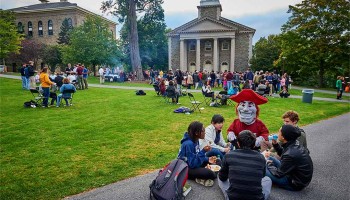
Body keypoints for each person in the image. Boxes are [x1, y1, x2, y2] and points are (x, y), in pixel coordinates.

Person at [218, 130, 272, 200]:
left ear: (238, 143)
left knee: (220, 176)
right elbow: (263, 176)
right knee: (268, 180)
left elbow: (222, 177)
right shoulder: (261, 157)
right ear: (254, 144)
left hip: (233, 197)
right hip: (256, 198)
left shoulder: (229, 155)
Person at [265, 124, 313, 191]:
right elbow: (284, 153)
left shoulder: (290, 153)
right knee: (270, 158)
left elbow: (278, 174)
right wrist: (275, 144)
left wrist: (268, 164)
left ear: (283, 137)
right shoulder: (294, 143)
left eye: (279, 132)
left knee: (263, 168)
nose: (277, 133)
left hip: (294, 183)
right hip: (295, 175)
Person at [177, 121, 220, 187]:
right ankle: (199, 177)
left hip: (194, 162)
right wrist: (203, 151)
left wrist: (208, 159)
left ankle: (201, 176)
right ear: (196, 133)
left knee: (217, 161)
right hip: (186, 168)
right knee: (211, 174)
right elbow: (192, 164)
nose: (205, 133)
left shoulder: (195, 139)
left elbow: (196, 155)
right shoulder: (188, 144)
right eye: (203, 131)